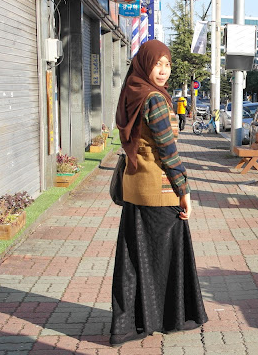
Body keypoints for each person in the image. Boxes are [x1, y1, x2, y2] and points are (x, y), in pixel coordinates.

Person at [112, 40, 207, 346]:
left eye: (167, 64)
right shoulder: (154, 99)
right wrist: (185, 191)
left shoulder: (133, 90)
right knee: (163, 260)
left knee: (135, 261)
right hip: (159, 191)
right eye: (157, 64)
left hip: (135, 189)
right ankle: (166, 318)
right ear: (145, 64)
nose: (163, 71)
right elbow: (168, 151)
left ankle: (133, 323)